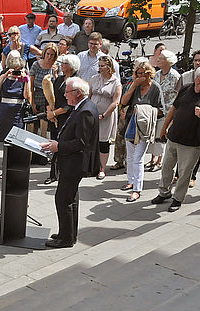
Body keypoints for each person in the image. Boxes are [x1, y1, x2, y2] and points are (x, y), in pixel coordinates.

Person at [152, 66, 200, 212]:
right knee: (166, 167)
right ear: (195, 78)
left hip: (192, 142)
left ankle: (178, 199)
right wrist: (164, 128)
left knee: (184, 173)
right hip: (174, 136)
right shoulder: (186, 88)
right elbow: (173, 109)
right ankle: (164, 193)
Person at [41, 77, 99, 248]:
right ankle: (68, 233)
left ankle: (66, 239)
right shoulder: (80, 107)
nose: (64, 95)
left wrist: (58, 146)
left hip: (74, 163)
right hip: (72, 162)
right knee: (70, 199)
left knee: (63, 199)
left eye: (67, 92)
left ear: (78, 93)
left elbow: (82, 142)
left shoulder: (86, 111)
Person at [120, 61, 164, 202]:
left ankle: (137, 190)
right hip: (131, 125)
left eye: (142, 73)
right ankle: (131, 181)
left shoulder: (155, 88)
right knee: (130, 156)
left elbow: (161, 110)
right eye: (137, 74)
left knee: (138, 158)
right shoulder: (134, 86)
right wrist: (133, 85)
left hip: (144, 128)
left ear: (148, 73)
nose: (140, 76)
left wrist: (143, 111)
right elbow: (123, 102)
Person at [44, 53, 79, 184]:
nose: (62, 65)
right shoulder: (59, 79)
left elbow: (69, 105)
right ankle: (53, 174)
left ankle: (64, 173)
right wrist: (49, 110)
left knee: (63, 146)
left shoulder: (75, 81)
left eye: (65, 63)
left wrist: (54, 113)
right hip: (55, 118)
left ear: (71, 66)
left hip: (66, 118)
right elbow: (51, 96)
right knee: (53, 144)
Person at [145, 50, 179, 172]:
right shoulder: (157, 74)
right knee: (153, 136)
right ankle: (153, 159)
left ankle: (159, 162)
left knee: (161, 136)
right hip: (155, 110)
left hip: (167, 112)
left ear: (168, 62)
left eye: (161, 58)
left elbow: (178, 96)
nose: (158, 60)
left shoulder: (175, 76)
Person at [89, 55, 121, 179]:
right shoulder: (94, 79)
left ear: (109, 67)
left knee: (103, 142)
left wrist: (104, 115)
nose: (100, 68)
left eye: (102, 66)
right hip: (92, 114)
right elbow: (89, 95)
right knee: (92, 141)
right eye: (99, 66)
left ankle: (102, 168)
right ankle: (91, 166)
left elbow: (116, 101)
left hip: (106, 115)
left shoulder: (115, 82)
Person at [0, 50, 32, 144]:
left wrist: (26, 81)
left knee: (17, 138)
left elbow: (27, 96)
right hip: (5, 109)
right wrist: (4, 76)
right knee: (5, 138)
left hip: (18, 110)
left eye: (18, 69)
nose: (16, 72)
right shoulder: (5, 75)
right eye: (15, 69)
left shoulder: (24, 77)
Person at [29, 43, 58, 136]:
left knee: (45, 127)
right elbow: (31, 84)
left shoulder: (56, 66)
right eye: (47, 54)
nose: (49, 57)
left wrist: (56, 73)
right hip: (37, 95)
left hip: (49, 98)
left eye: (52, 55)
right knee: (33, 125)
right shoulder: (36, 65)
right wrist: (32, 102)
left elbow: (58, 84)